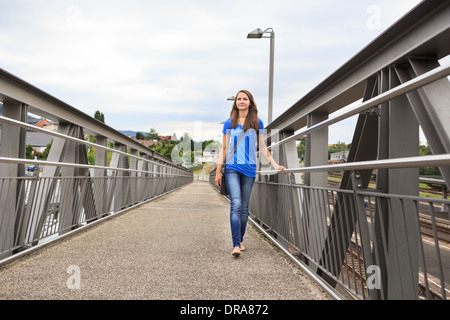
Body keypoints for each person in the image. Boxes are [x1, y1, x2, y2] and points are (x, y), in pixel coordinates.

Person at [215, 90, 286, 257]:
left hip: (249, 169)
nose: (241, 101)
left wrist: (276, 164)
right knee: (236, 205)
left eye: (244, 99)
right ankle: (235, 244)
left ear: (250, 102)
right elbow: (224, 149)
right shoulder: (229, 123)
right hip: (232, 168)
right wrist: (218, 172)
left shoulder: (257, 123)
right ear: (235, 103)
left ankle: (240, 240)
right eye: (239, 99)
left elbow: (262, 148)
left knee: (245, 208)